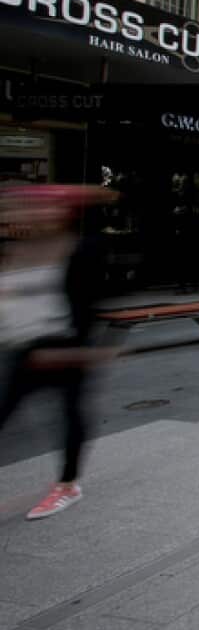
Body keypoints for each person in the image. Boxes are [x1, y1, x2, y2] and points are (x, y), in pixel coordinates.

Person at [0, 185, 114, 520]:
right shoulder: (14, 252)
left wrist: (81, 348)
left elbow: (90, 305)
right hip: (23, 349)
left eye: (38, 209)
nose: (25, 215)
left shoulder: (80, 249)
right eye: (17, 210)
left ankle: (68, 485)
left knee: (70, 416)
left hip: (64, 348)